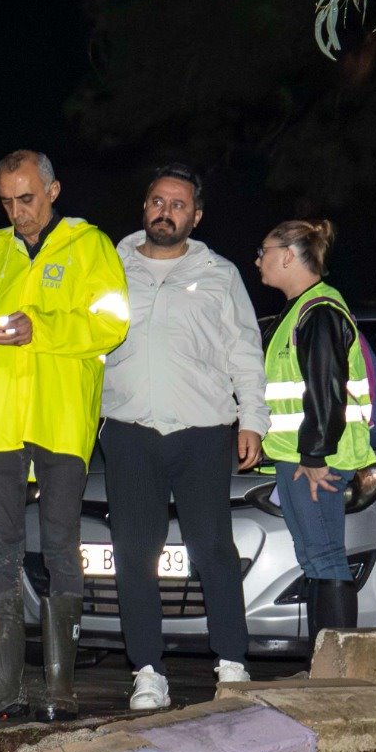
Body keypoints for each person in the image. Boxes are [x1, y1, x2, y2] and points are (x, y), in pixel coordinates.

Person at [0, 150, 130, 723]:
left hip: (61, 417)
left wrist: (42, 327)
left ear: (53, 190)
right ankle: (2, 687)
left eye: (26, 198)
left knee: (60, 546)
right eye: (7, 201)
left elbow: (112, 321)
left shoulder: (91, 247)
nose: (17, 212)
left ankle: (60, 688)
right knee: (0, 549)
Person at [106, 165, 266, 710]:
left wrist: (253, 421)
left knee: (213, 550)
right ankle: (148, 670)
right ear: (144, 208)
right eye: (157, 201)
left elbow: (244, 352)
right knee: (133, 554)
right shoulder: (110, 267)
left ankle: (232, 663)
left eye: (177, 204)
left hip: (203, 431)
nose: (165, 211)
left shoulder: (219, 273)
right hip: (128, 431)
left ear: (195, 216)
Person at [255, 218, 375, 647]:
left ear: (288, 255)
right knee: (315, 559)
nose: (258, 260)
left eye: (264, 250)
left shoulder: (319, 310)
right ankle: (326, 664)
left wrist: (312, 457)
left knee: (324, 558)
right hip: (301, 458)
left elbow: (326, 392)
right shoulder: (302, 310)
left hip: (316, 461)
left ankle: (335, 670)